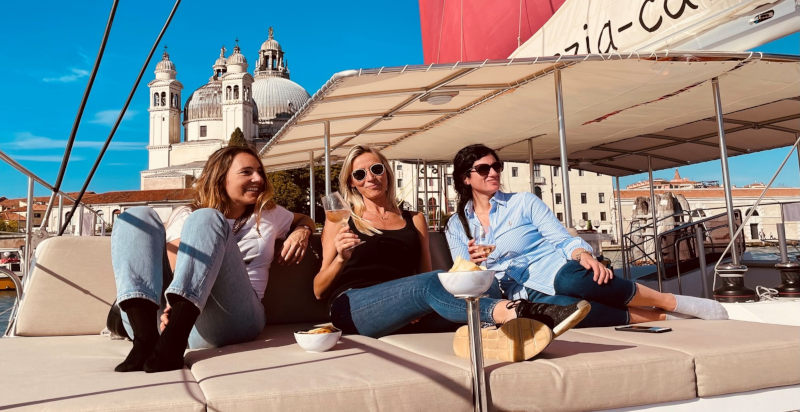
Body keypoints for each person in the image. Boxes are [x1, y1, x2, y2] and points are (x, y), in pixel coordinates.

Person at [313, 145, 591, 362]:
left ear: (387, 172)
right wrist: (340, 258)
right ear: (352, 183)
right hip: (355, 305)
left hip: (409, 309)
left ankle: (495, 338)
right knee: (435, 282)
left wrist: (416, 303)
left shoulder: (414, 219)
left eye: (376, 169)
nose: (370, 178)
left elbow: (423, 273)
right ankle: (520, 313)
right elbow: (318, 289)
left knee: (475, 287)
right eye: (360, 174)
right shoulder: (342, 220)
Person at [445, 144, 728, 327]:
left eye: (497, 166)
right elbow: (462, 274)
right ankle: (658, 316)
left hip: (553, 268)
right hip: (519, 291)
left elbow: (561, 238)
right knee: (563, 310)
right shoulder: (457, 225)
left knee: (571, 280)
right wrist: (475, 264)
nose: (493, 172)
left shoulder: (523, 202)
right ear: (465, 178)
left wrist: (583, 254)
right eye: (484, 169)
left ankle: (669, 301)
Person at [111, 146, 315, 373]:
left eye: (260, 172)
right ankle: (144, 339)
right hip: (169, 323)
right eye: (246, 172)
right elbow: (178, 267)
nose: (258, 179)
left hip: (235, 319)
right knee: (135, 216)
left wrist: (302, 231)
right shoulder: (186, 214)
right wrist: (170, 310)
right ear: (220, 178)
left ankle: (173, 336)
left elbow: (304, 219)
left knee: (208, 217)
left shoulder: (268, 214)